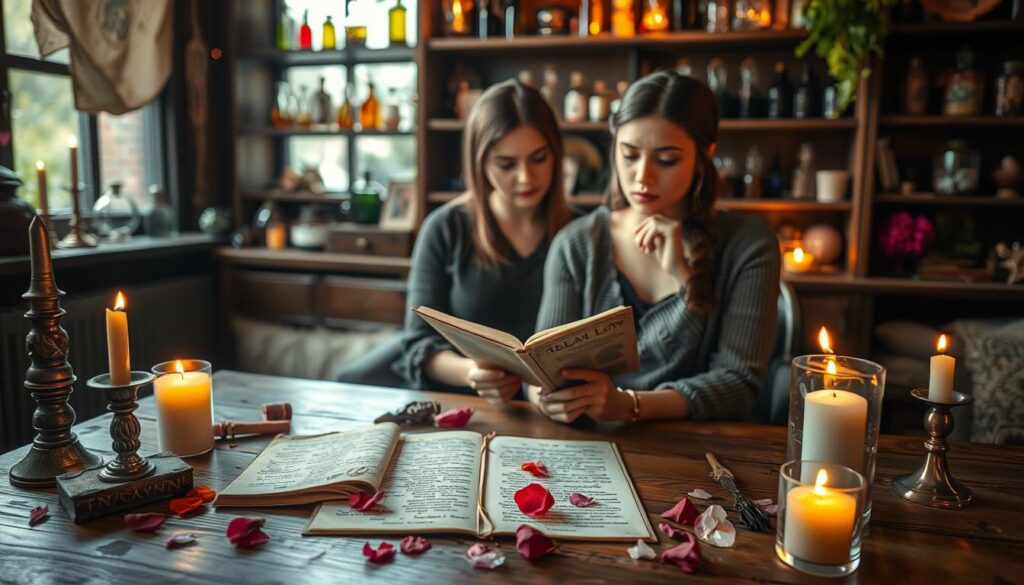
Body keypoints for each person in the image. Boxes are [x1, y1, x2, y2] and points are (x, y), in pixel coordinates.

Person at [531, 71, 780, 423]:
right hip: (591, 442)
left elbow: (739, 383)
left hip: (702, 446)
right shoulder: (576, 244)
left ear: (705, 154)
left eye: (666, 160)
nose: (642, 177)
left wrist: (630, 405)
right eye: (629, 155)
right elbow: (542, 369)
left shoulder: (749, 244)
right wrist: (546, 398)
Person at [376, 79, 573, 402]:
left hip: (559, 411)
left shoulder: (581, 232)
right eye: (506, 164)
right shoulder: (445, 228)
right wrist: (471, 373)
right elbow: (417, 345)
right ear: (479, 163)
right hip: (465, 407)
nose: (525, 177)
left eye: (538, 158)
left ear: (557, 154)